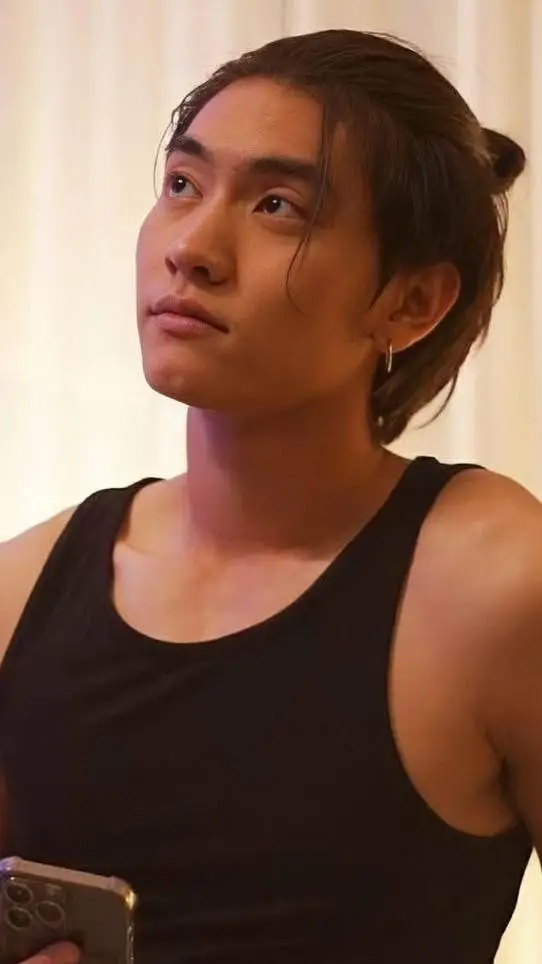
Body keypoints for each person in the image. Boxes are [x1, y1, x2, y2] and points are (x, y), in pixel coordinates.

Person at [0, 26, 539, 964]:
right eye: (182, 184)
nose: (193, 248)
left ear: (410, 302)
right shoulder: (25, 590)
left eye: (278, 206)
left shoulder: (495, 583)